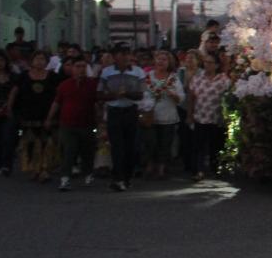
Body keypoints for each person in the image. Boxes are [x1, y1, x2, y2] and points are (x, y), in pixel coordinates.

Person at [98, 45, 146, 191]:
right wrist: (114, 95)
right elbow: (100, 94)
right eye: (122, 54)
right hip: (114, 111)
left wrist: (126, 94)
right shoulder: (107, 72)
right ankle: (118, 177)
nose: (125, 57)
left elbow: (140, 94)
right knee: (117, 146)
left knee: (130, 146)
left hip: (130, 111)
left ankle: (127, 176)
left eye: (127, 54)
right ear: (115, 56)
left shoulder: (138, 71)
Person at [48, 58, 99, 189]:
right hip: (68, 124)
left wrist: (100, 118)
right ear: (72, 69)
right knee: (69, 151)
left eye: (83, 66)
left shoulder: (92, 84)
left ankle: (88, 174)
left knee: (87, 151)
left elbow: (98, 102)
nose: (81, 69)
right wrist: (49, 118)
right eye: (77, 66)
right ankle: (65, 178)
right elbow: (57, 102)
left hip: (87, 123)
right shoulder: (64, 85)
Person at [9, 51, 59, 183]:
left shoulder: (53, 76)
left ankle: (45, 169)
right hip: (28, 114)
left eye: (42, 59)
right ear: (32, 61)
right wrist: (9, 107)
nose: (39, 61)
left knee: (46, 142)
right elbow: (14, 92)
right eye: (37, 58)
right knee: (30, 143)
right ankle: (33, 168)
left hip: (47, 113)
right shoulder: (23, 76)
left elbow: (59, 94)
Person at [143, 50, 185, 181]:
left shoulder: (173, 78)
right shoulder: (148, 76)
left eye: (164, 60)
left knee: (165, 143)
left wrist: (174, 95)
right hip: (150, 115)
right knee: (150, 142)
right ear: (155, 61)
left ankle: (161, 168)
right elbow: (142, 93)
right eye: (159, 59)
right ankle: (150, 164)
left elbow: (181, 97)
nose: (161, 62)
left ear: (169, 62)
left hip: (168, 116)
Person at [188, 53, 231, 180]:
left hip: (216, 117)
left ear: (216, 65)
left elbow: (228, 97)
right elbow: (191, 97)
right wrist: (190, 115)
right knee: (198, 146)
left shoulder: (223, 79)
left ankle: (215, 169)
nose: (207, 65)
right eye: (206, 62)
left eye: (210, 62)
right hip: (200, 116)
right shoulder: (197, 78)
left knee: (215, 145)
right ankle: (198, 170)